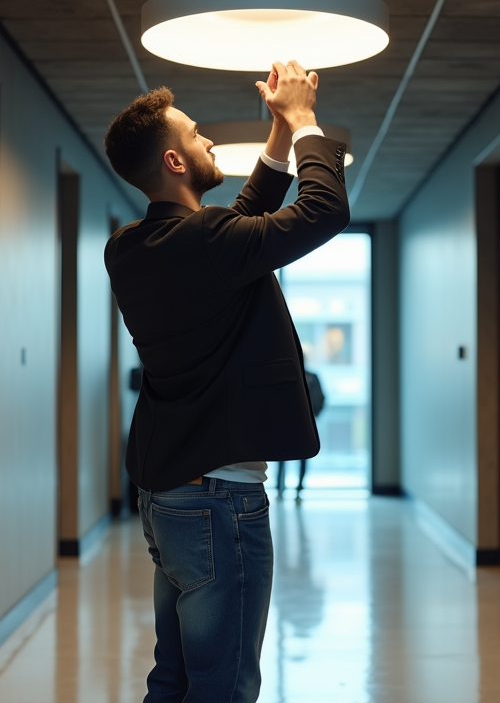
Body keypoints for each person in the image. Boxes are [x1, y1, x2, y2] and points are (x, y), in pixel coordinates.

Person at [103, 60, 349, 703]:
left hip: (169, 495)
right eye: (195, 134)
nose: (207, 139)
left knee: (176, 677)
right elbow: (324, 210)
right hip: (219, 501)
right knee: (224, 687)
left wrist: (276, 136)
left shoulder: (128, 247)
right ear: (175, 162)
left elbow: (233, 223)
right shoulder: (208, 241)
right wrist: (303, 120)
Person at [278, 367, 324, 499]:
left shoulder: (312, 376)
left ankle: (299, 490)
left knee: (303, 457)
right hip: (286, 422)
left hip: (305, 422)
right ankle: (280, 489)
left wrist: (314, 414)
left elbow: (320, 397)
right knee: (282, 457)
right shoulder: (286, 374)